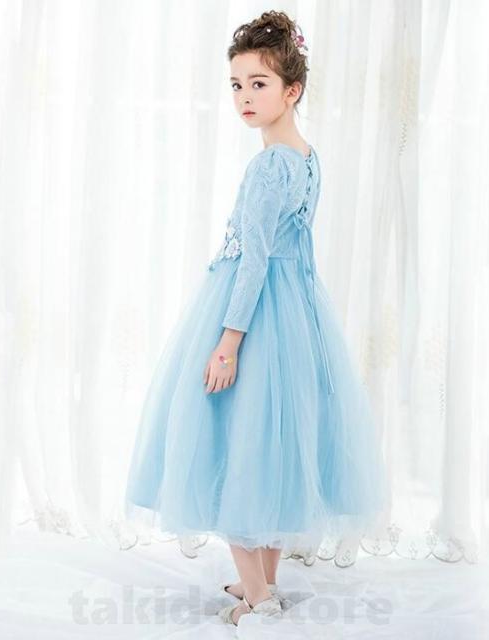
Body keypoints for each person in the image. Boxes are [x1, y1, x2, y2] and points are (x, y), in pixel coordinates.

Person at [123, 10, 387, 628]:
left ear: (292, 90)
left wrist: (228, 341)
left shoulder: (270, 165)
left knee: (232, 441)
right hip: (295, 308)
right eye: (237, 84)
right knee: (271, 446)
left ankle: (260, 599)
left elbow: (255, 259)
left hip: (255, 311)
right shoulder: (306, 157)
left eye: (259, 84)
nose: (245, 96)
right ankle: (261, 580)